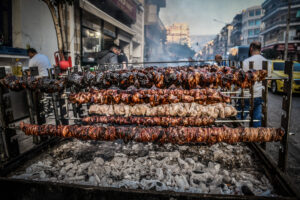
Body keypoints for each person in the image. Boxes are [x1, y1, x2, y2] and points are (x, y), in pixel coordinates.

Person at [236, 41, 271, 127]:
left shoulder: (246, 62)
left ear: (251, 48)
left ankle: (237, 136)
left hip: (246, 96)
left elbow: (240, 81)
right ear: (260, 49)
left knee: (239, 118)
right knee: (256, 119)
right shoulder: (267, 63)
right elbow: (268, 81)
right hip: (259, 95)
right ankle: (255, 139)